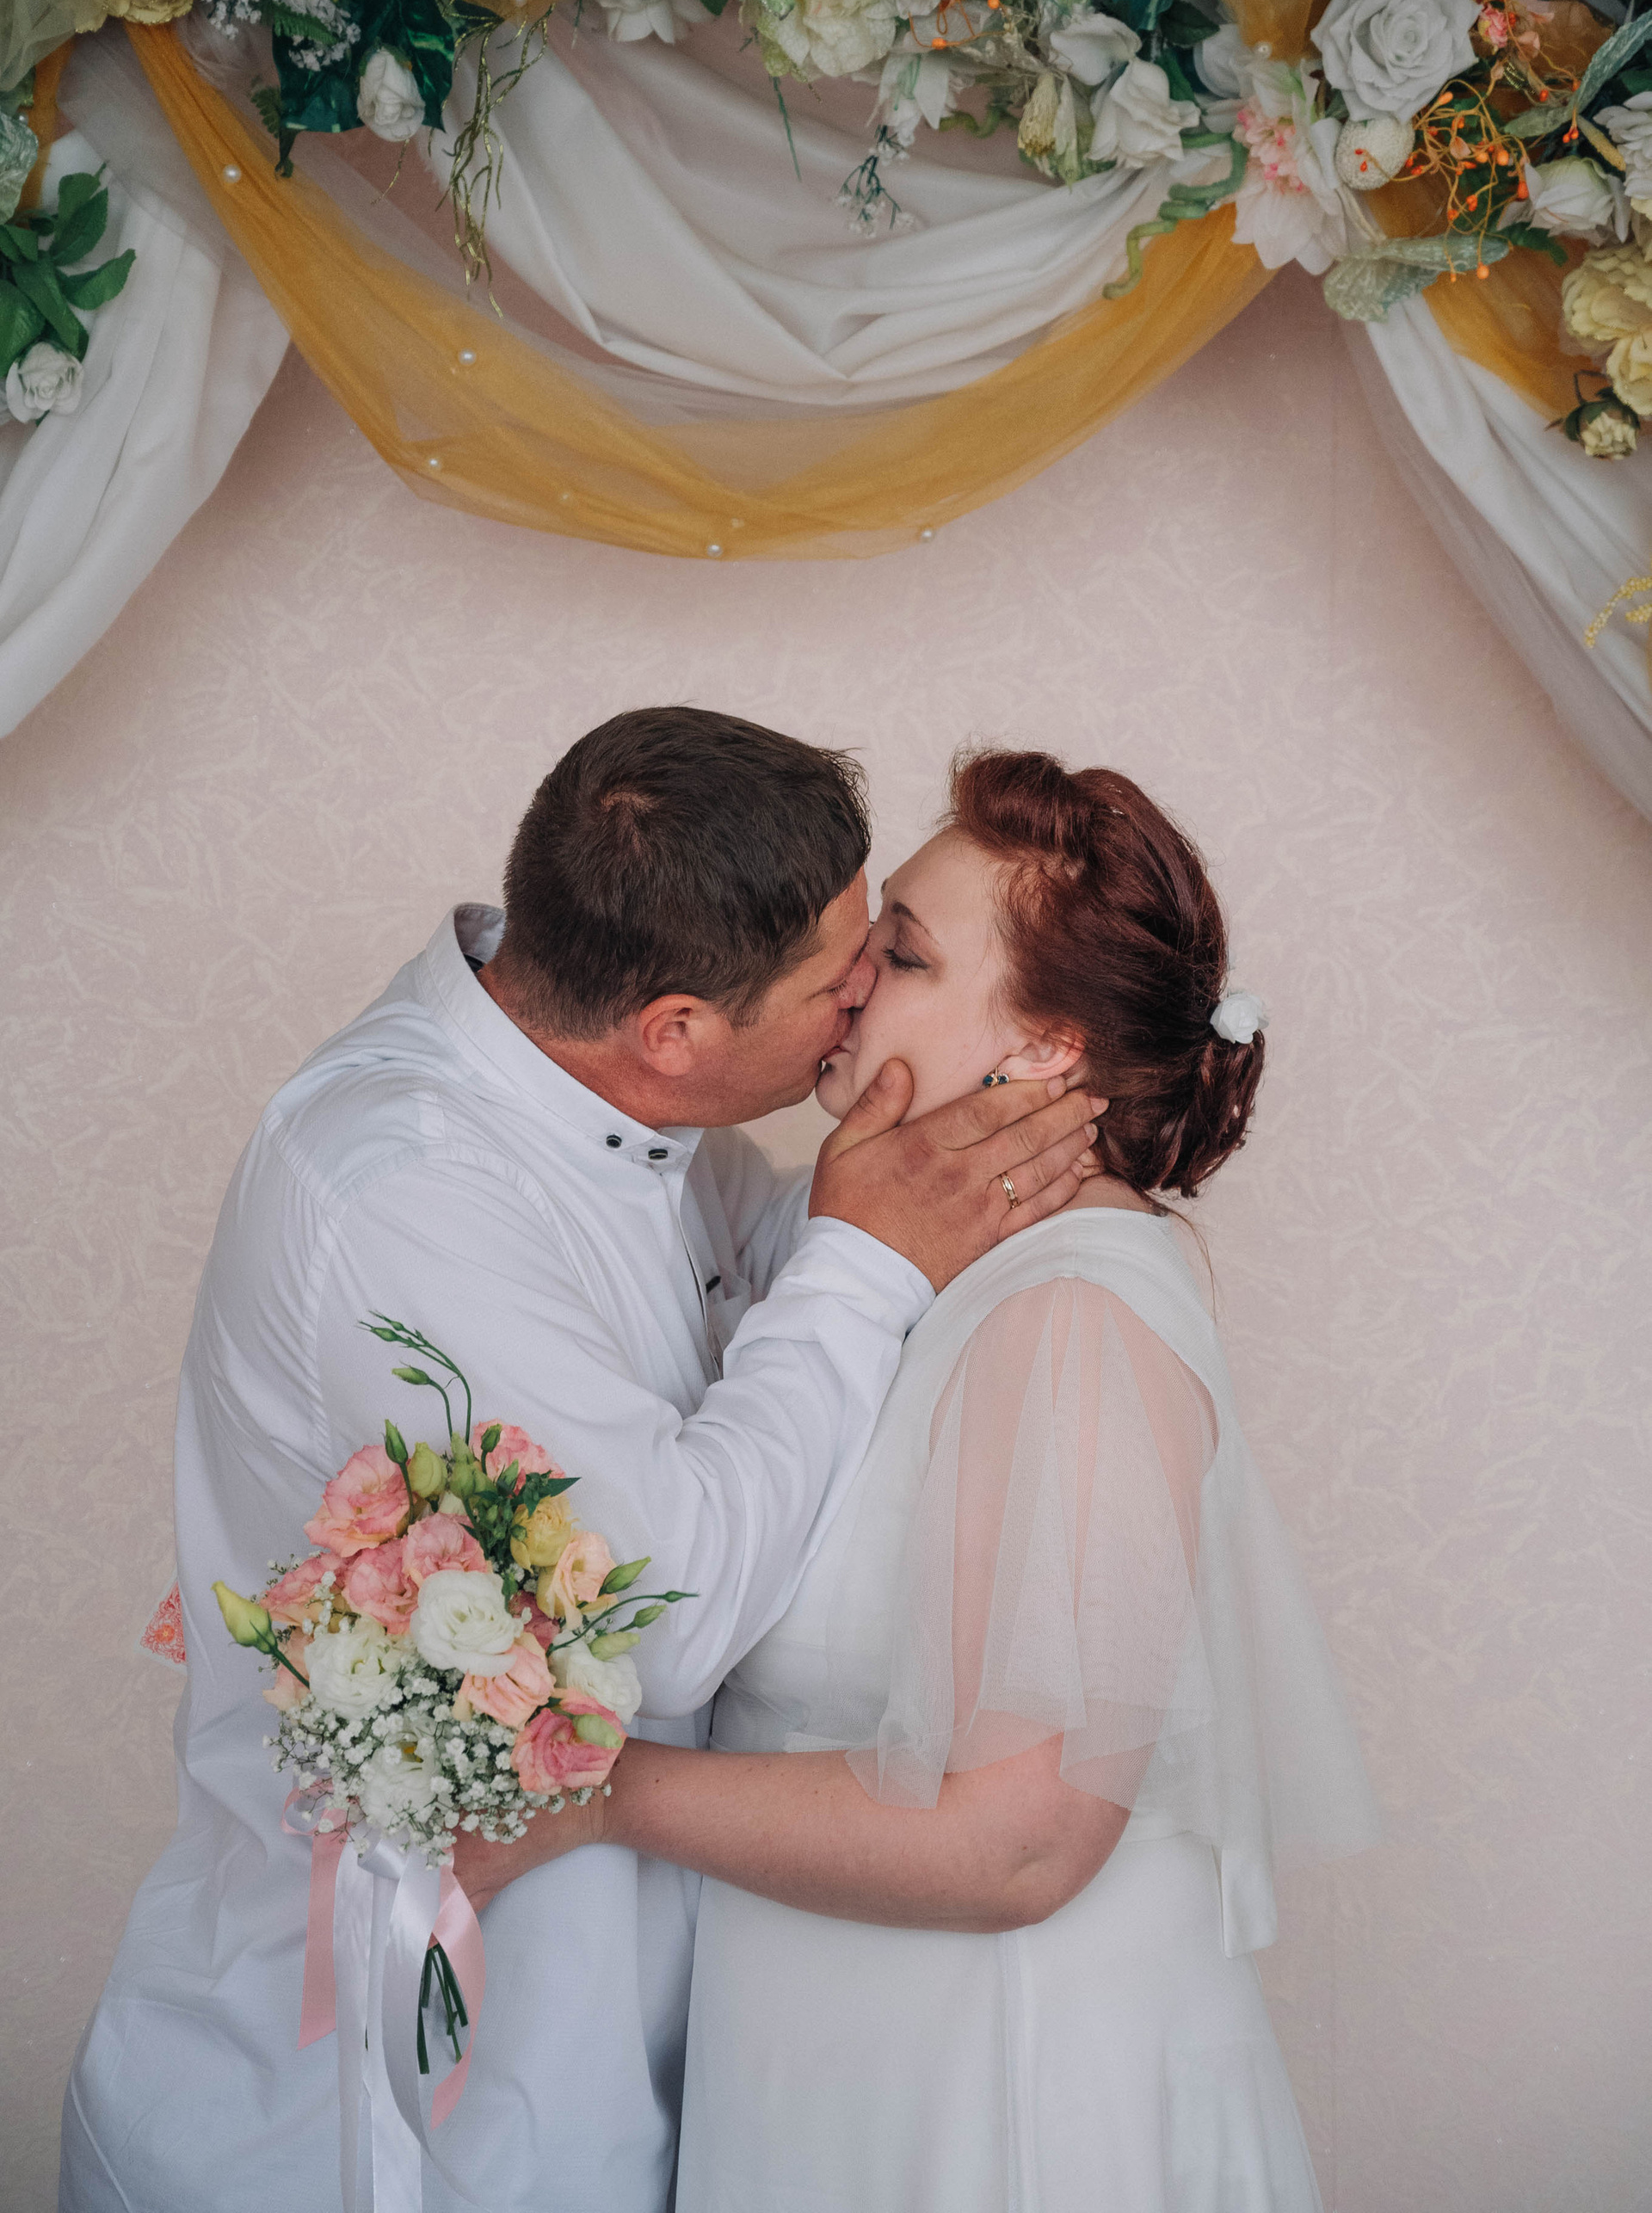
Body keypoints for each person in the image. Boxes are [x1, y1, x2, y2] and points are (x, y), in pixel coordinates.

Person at [59, 710, 1100, 2213]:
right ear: (673, 1029)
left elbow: (782, 1305)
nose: (866, 992)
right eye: (842, 976)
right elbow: (659, 1618)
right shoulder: (402, 1191)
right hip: (353, 2112)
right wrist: (868, 1258)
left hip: (627, 2055)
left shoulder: (624, 1105)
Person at [462, 747, 1380, 2213]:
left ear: (1045, 1050)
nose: (846, 982)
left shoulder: (1075, 1308)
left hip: (992, 2090)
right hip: (823, 2062)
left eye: (900, 953)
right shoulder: (904, 1263)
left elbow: (1021, 1838)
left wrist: (594, 1794)